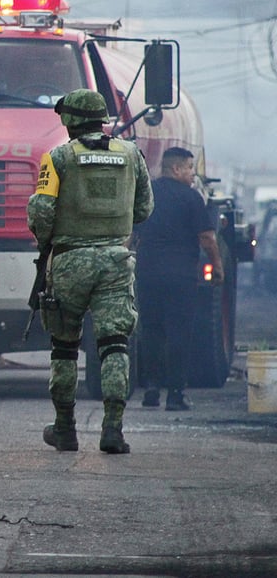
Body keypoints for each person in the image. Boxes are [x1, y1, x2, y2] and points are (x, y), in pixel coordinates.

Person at [28, 89, 154, 455]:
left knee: (64, 348)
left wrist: (48, 242)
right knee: (115, 345)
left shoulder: (58, 158)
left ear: (69, 120)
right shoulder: (132, 154)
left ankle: (65, 428)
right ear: (100, 117)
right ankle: (113, 429)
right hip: (116, 261)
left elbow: (41, 214)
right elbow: (144, 208)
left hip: (69, 262)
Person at [133, 147, 223, 411]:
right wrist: (217, 266)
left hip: (147, 274)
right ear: (176, 169)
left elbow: (132, 234)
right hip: (181, 277)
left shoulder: (146, 194)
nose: (193, 175)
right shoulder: (192, 198)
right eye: (189, 168)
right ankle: (174, 394)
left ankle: (151, 387)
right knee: (179, 333)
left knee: (151, 330)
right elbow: (207, 238)